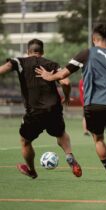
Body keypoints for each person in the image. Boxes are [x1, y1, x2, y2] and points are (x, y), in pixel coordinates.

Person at [36, 23, 106, 182]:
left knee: (98, 139)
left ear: (93, 38)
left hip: (93, 105)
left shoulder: (86, 54)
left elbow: (64, 74)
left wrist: (49, 77)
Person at [0, 38, 82, 179]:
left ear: (28, 51)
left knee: (25, 141)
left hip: (34, 112)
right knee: (61, 134)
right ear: (42, 52)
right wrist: (67, 97)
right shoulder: (51, 64)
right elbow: (66, 82)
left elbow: (3, 69)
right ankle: (69, 156)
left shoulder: (19, 62)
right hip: (53, 109)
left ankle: (32, 170)